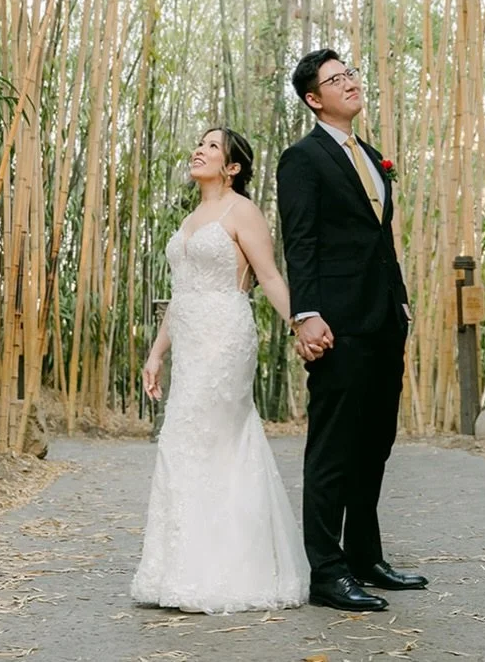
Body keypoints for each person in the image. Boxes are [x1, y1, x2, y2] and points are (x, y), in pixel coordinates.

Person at [131, 127, 308, 614]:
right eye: (199, 143)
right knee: (182, 440)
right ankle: (180, 570)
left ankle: (232, 572)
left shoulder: (241, 211)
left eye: (212, 146)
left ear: (232, 167)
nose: (199, 150)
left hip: (225, 336)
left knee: (216, 438)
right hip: (188, 340)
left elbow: (269, 275)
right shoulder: (191, 218)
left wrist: (302, 325)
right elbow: (180, 293)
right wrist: (156, 353)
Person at [277, 49, 428, 611]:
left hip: (384, 319)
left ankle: (366, 556)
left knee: (375, 444)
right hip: (336, 324)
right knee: (334, 449)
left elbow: (380, 242)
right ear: (314, 98)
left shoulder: (372, 155)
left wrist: (402, 303)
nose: (350, 83)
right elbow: (302, 241)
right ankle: (328, 571)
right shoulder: (303, 159)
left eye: (351, 74)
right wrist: (306, 313)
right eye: (336, 79)